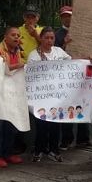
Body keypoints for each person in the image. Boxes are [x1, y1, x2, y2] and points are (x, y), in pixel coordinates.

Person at [28, 27, 71, 163]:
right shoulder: (34, 55)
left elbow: (72, 63)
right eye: (46, 37)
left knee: (55, 125)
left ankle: (54, 150)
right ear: (40, 38)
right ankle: (39, 150)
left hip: (56, 97)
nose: (49, 40)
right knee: (41, 125)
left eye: (52, 38)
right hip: (41, 97)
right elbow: (31, 75)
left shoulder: (59, 51)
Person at [55, 5, 92, 150]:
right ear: (61, 18)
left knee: (84, 104)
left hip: (83, 74)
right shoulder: (57, 35)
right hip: (67, 77)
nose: (68, 18)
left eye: (70, 15)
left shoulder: (83, 32)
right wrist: (65, 44)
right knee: (68, 106)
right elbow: (57, 55)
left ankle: (83, 139)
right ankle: (66, 139)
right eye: (65, 16)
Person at [0, 26, 26, 168]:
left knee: (11, 124)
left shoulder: (18, 51)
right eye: (13, 35)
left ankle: (8, 152)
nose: (16, 37)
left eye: (18, 35)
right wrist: (20, 65)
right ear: (5, 37)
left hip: (12, 94)